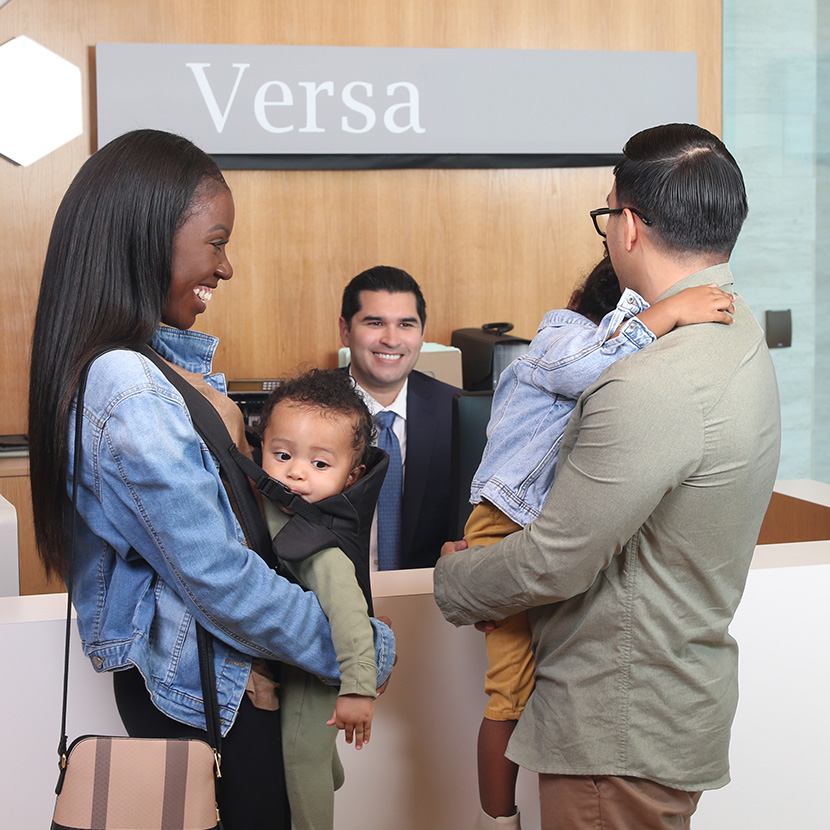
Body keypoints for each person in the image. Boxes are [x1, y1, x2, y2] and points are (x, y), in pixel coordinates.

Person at [27, 129, 395, 830]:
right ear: (148, 238)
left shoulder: (147, 364)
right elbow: (219, 576)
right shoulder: (127, 384)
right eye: (216, 241)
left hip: (225, 685)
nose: (225, 268)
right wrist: (361, 652)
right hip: (222, 695)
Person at [434, 123, 781, 830]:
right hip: (669, 700)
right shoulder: (737, 333)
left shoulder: (651, 382)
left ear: (626, 226)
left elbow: (555, 561)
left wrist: (456, 580)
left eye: (605, 214)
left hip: (616, 725)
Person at [467, 254, 737, 830]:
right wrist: (666, 314)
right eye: (651, 320)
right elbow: (590, 368)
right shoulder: (561, 336)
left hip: (539, 526)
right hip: (509, 523)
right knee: (510, 696)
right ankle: (498, 821)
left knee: (548, 684)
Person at [258, 368, 382, 830]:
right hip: (296, 657)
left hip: (319, 671)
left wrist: (357, 688)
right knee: (309, 750)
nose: (296, 472)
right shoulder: (282, 504)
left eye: (320, 464)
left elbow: (351, 611)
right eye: (283, 454)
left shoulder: (313, 540)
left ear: (352, 477)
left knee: (299, 755)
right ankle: (331, 768)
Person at [339, 265, 461, 569]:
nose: (392, 340)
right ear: (345, 330)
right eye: (375, 322)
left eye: (406, 324)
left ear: (421, 333)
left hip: (428, 600)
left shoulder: (458, 412)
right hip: (329, 600)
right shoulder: (306, 410)